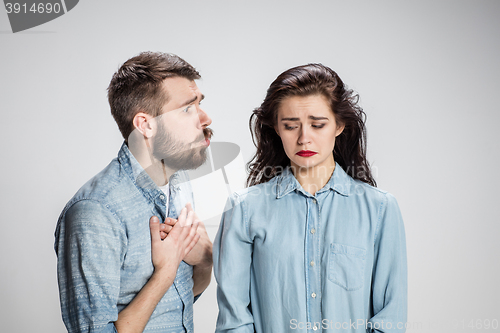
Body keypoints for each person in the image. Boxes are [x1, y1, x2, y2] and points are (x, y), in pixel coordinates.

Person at [213, 64, 407, 332]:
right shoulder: (244, 210)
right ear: (277, 129)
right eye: (291, 126)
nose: (304, 138)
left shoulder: (380, 209)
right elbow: (234, 320)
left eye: (318, 124)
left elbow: (389, 319)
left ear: (339, 125)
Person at [55, 52, 214, 333]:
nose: (205, 117)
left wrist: (204, 260)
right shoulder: (95, 212)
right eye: (188, 108)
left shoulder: (179, 182)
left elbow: (179, 302)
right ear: (145, 124)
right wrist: (164, 272)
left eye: (200, 104)